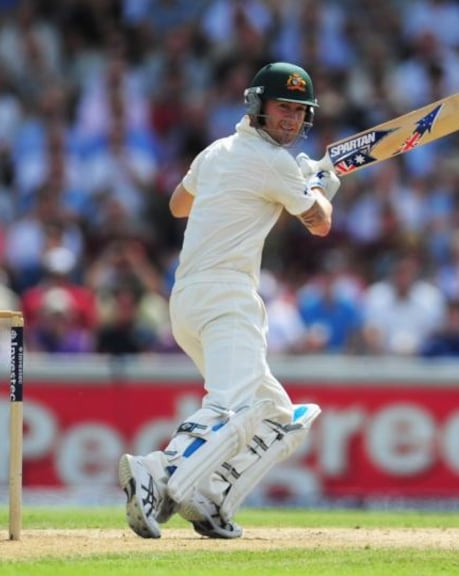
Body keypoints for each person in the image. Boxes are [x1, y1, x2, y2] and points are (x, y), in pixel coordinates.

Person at [117, 62, 341, 540]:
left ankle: (210, 496)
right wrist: (318, 185)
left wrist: (277, 187)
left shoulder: (216, 152)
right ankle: (155, 472)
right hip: (227, 297)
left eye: (301, 112)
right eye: (284, 108)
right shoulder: (274, 161)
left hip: (187, 299)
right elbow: (320, 223)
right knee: (231, 408)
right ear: (258, 106)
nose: (292, 120)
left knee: (277, 417)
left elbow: (179, 204)